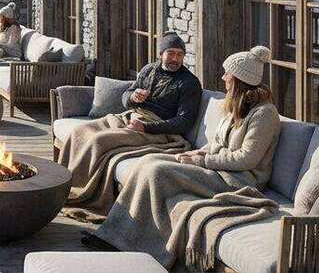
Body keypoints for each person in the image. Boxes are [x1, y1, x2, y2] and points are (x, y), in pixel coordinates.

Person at [86, 46, 281, 269]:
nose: (223, 77)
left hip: (239, 179)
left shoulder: (264, 114)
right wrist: (197, 152)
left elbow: (246, 159)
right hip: (217, 169)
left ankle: (148, 249)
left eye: (227, 73)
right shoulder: (235, 105)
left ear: (238, 79)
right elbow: (217, 143)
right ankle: (114, 235)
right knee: (149, 162)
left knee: (158, 172)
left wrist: (200, 161)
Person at [60, 32, 202, 217]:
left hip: (157, 130)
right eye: (171, 53)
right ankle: (61, 187)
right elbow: (126, 96)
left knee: (99, 141)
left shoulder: (189, 83)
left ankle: (80, 193)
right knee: (79, 131)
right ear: (161, 54)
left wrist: (146, 127)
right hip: (130, 117)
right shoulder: (149, 70)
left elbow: (184, 122)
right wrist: (133, 97)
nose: (175, 58)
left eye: (179, 54)